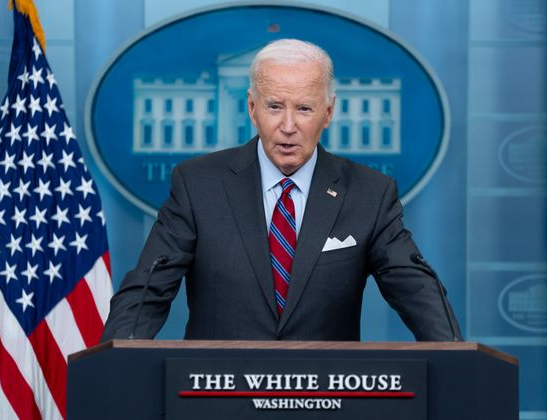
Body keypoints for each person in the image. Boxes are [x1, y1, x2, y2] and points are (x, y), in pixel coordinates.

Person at [101, 39, 462, 342]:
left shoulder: (369, 193)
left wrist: (456, 360)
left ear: (329, 112)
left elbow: (417, 290)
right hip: (216, 397)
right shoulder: (198, 184)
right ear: (252, 108)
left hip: (325, 401)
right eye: (275, 106)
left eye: (304, 108)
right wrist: (113, 368)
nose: (288, 126)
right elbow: (147, 293)